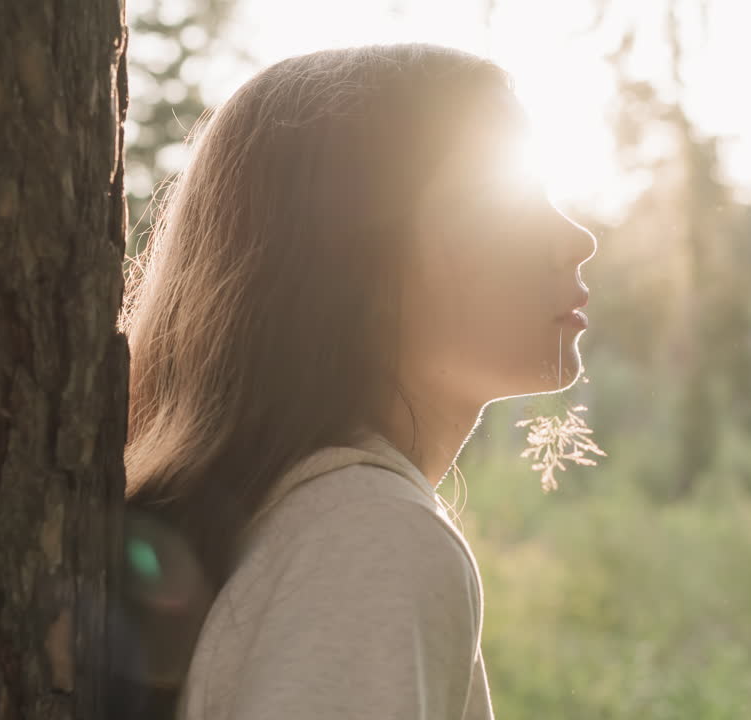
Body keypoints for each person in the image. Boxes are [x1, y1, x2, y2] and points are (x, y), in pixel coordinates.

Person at [115, 42, 596, 720]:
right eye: (503, 200)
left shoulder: (297, 523)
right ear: (353, 261)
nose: (576, 239)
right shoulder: (372, 540)